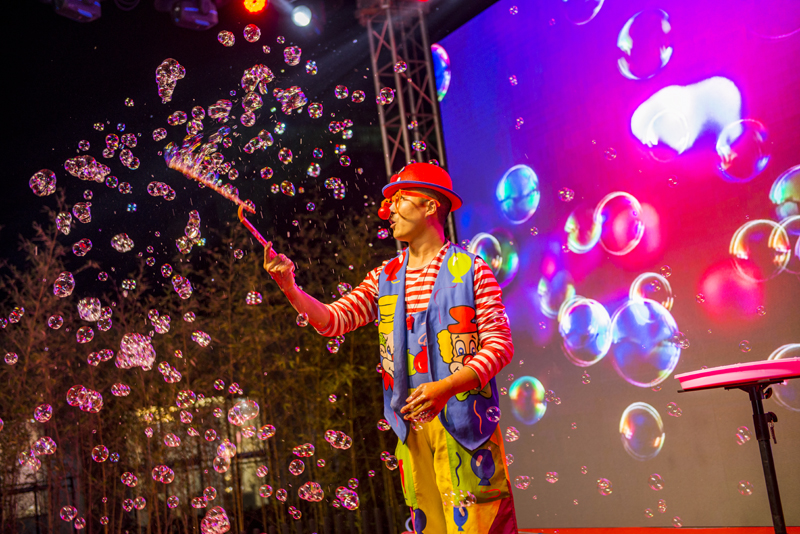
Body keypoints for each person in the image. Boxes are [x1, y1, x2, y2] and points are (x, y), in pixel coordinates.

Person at [264, 163, 518, 534]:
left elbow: (500, 345)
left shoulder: (473, 270)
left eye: (400, 199)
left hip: (466, 427)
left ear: (430, 206)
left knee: (480, 523)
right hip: (410, 430)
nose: (389, 210)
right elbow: (333, 320)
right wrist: (290, 287)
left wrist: (446, 388)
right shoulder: (385, 277)